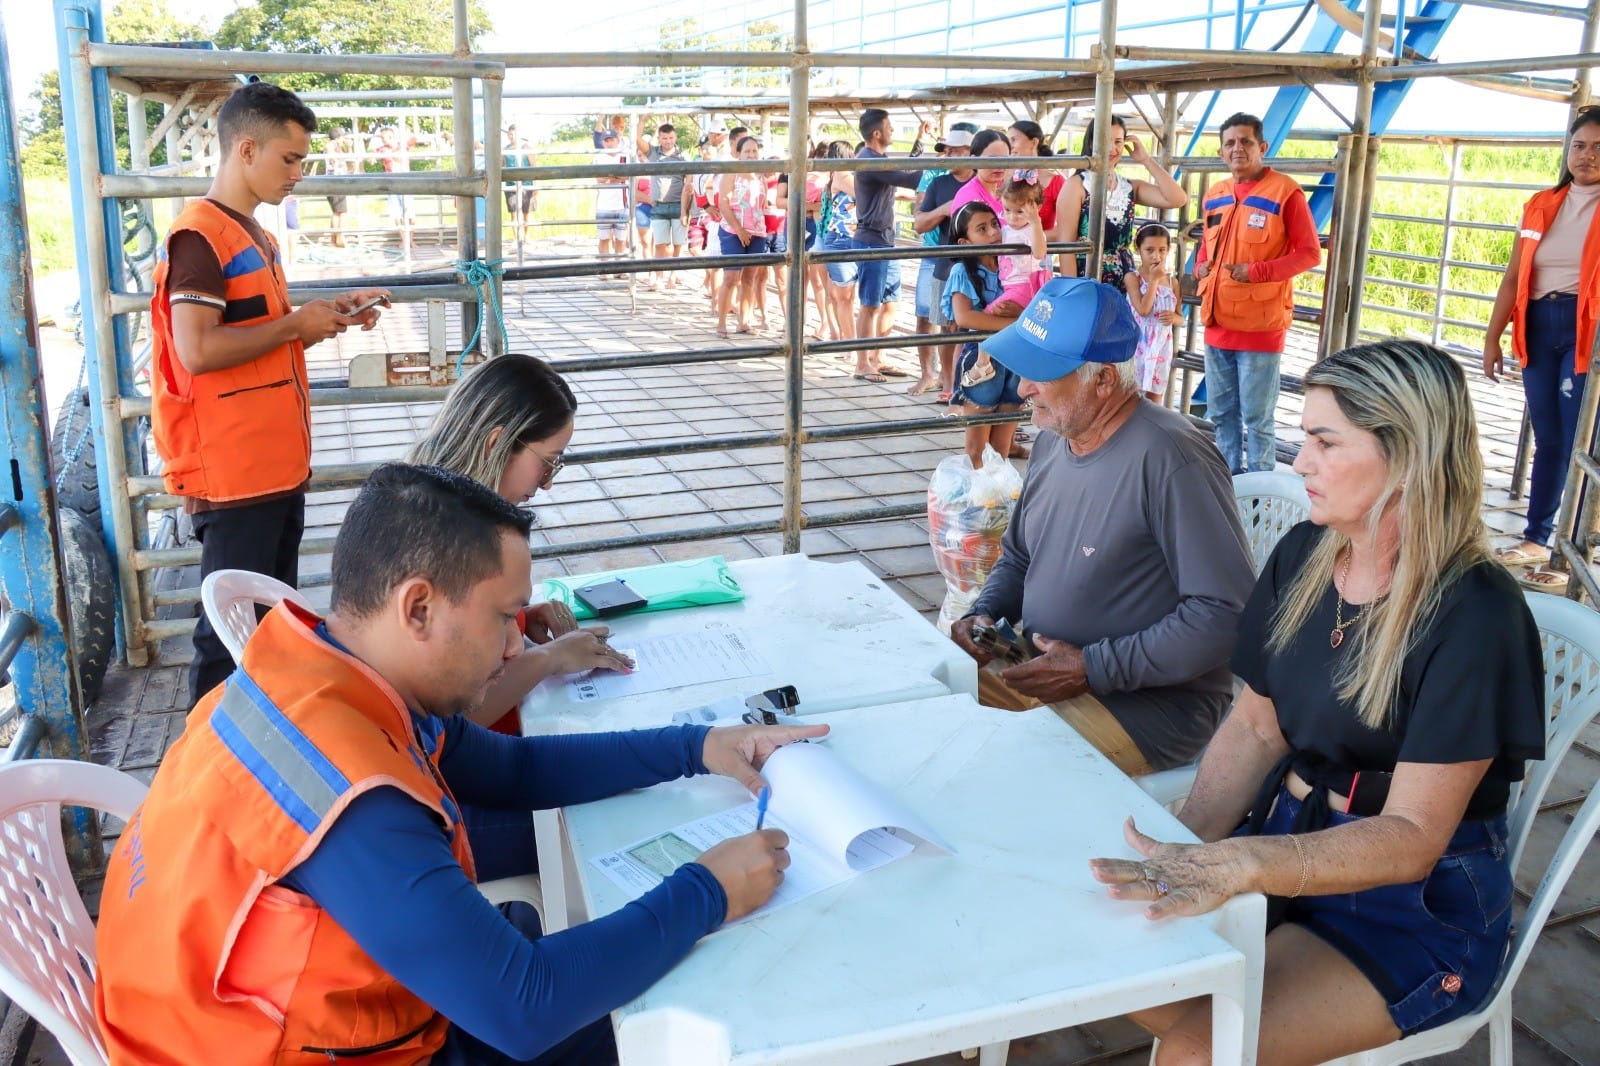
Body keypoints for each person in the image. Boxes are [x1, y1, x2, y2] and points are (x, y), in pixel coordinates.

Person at [94, 462, 825, 1065]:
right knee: (665, 1020)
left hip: (251, 1001)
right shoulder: (354, 800)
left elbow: (510, 772)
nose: (517, 648)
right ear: (418, 608)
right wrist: (709, 890)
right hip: (251, 1047)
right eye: (504, 617)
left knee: (597, 956)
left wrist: (695, 747)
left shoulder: (325, 670)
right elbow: (522, 1008)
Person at [1089, 339, 1546, 1065]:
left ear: (1409, 456)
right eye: (1305, 438)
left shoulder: (1474, 614)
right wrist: (1190, 849)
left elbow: (1412, 835)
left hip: (1410, 906)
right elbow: (1255, 728)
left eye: (1325, 442)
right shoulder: (1307, 553)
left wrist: (1248, 864)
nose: (1299, 461)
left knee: (1195, 1054)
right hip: (1285, 843)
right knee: (1100, 964)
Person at [950, 277, 1255, 775]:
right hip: (1052, 670)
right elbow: (1021, 556)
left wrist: (1094, 668)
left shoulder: (1172, 457)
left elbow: (1224, 614)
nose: (1024, 388)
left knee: (995, 768)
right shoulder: (1056, 435)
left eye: (1042, 374)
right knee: (934, 708)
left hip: (1148, 709)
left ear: (1104, 380)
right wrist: (982, 615)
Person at [149, 81, 388, 707]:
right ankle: (206, 771)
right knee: (226, 635)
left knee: (268, 624)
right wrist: (293, 324)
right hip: (233, 476)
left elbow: (258, 343)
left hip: (272, 467)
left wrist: (323, 317)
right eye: (290, 159)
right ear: (245, 149)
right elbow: (197, 350)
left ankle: (259, 749)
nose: (298, 174)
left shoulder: (254, 234)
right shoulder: (200, 238)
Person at [408, 355, 632, 882]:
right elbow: (455, 726)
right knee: (609, 822)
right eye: (548, 461)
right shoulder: (448, 541)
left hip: (475, 771)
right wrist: (550, 659)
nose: (549, 483)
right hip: (453, 804)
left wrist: (515, 619)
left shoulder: (428, 503)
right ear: (495, 443)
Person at [1483, 107, 1600, 592]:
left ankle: (1571, 548)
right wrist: (1492, 335)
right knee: (1549, 435)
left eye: (1598, 147)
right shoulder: (1541, 204)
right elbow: (1514, 276)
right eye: (1579, 145)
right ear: (1566, 150)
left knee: (1582, 440)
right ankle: (1537, 536)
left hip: (1586, 331)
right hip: (1538, 321)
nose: (1587, 155)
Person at [1196, 111, 1322, 474]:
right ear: (1222, 152)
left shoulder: (1285, 192)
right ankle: (1228, 486)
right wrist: (1200, 266)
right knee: (1221, 415)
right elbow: (1207, 244)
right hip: (1217, 322)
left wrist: (1258, 272)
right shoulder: (1216, 195)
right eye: (1230, 143)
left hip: (1260, 327)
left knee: (1258, 420)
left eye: (1246, 142)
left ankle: (1260, 496)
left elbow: (1309, 253)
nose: (1238, 149)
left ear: (1262, 147)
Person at [1054, 117, 1187, 287]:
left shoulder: (1129, 187)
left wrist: (1145, 159)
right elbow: (1067, 246)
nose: (1112, 148)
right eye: (1105, 140)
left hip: (1127, 284)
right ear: (1091, 142)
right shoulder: (1076, 185)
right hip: (1088, 281)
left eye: (1118, 141)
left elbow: (1177, 198)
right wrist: (1073, 292)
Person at [942, 201, 1027, 464]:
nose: (993, 233)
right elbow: (965, 316)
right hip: (983, 362)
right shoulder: (962, 271)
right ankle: (978, 500)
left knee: (1001, 448)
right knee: (977, 451)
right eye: (982, 229)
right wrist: (1017, 322)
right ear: (964, 243)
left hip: (1015, 358)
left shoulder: (1013, 264)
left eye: (994, 224)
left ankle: (996, 500)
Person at [849, 109, 930, 377]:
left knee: (890, 302)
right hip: (872, 241)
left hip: (884, 240)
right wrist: (938, 164)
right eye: (890, 126)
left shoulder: (878, 159)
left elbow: (903, 172)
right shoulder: (870, 160)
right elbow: (910, 178)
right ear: (877, 133)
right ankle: (862, 363)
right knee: (870, 305)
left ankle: (878, 357)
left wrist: (920, 144)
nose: (893, 130)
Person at [914, 125, 977, 400]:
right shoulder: (938, 184)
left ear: (971, 153)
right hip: (946, 264)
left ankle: (967, 384)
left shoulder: (982, 183)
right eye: (947, 150)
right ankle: (949, 384)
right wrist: (943, 209)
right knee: (946, 326)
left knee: (970, 326)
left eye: (955, 150)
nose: (949, 155)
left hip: (977, 266)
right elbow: (919, 224)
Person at [715, 134, 771, 338]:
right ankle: (721, 322)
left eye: (754, 151)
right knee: (731, 276)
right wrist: (738, 228)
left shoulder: (760, 176)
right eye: (747, 151)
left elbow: (762, 204)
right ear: (738, 153)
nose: (751, 154)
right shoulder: (731, 173)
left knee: (750, 277)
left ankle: (744, 321)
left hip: (757, 231)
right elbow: (723, 203)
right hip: (732, 230)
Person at [1125, 222, 1183, 403]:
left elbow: (1181, 317)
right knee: (1130, 396)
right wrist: (1154, 280)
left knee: (1155, 398)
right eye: (1149, 250)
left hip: (1160, 347)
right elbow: (1143, 309)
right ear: (1138, 249)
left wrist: (1174, 318)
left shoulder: (1172, 282)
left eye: (1161, 250)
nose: (1156, 256)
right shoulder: (1133, 278)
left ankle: (1150, 429)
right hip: (1137, 346)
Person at [817, 140, 863, 359]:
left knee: (846, 296)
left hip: (853, 238)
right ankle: (851, 343)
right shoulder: (842, 175)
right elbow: (863, 191)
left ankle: (849, 340)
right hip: (841, 239)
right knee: (844, 296)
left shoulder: (843, 175)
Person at [638, 121, 691, 289]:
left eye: (671, 137)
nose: (668, 141)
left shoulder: (684, 156)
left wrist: (685, 210)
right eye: (664, 138)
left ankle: (673, 276)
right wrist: (643, 119)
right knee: (660, 243)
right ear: (659, 138)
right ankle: (658, 277)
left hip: (678, 204)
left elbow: (688, 184)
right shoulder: (653, 153)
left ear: (675, 137)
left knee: (678, 243)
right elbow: (637, 138)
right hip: (659, 205)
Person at [996, 170, 1051, 310]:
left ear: (1037, 208)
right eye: (1007, 210)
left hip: (1025, 286)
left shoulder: (1033, 231)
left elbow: (1039, 253)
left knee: (987, 315)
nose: (1012, 217)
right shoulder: (1005, 230)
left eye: (1020, 212)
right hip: (1006, 285)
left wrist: (1036, 223)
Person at [1007, 120, 1064, 234]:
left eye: (1014, 139)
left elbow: (1064, 230)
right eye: (1008, 141)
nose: (1010, 145)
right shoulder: (1003, 175)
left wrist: (1027, 239)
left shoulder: (1055, 182)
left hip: (1040, 250)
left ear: (1034, 142)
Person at [592, 128, 629, 276]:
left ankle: (619, 269)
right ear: (602, 142)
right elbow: (599, 179)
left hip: (621, 205)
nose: (609, 143)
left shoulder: (625, 156)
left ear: (617, 140)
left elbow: (627, 176)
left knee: (621, 238)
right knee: (604, 238)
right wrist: (616, 177)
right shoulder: (599, 157)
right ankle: (604, 268)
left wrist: (610, 177)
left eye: (611, 140)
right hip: (604, 206)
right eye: (606, 140)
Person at [376, 124, 415, 255]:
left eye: (384, 137)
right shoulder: (382, 149)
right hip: (392, 183)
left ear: (391, 136)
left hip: (406, 182)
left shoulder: (402, 146)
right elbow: (370, 159)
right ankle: (404, 240)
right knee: (397, 214)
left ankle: (411, 240)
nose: (382, 140)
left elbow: (414, 139)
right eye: (381, 137)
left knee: (410, 214)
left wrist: (413, 116)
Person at [502, 124, 537, 247]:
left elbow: (534, 166)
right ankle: (516, 238)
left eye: (513, 134)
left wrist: (536, 184)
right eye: (509, 134)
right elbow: (501, 165)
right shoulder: (505, 149)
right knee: (513, 212)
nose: (511, 137)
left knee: (526, 212)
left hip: (526, 184)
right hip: (511, 185)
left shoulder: (527, 147)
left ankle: (526, 237)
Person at [322, 125, 355, 247]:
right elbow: (334, 158)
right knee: (341, 212)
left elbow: (349, 160)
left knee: (337, 211)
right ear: (338, 137)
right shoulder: (331, 146)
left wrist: (349, 147)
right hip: (335, 181)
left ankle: (335, 238)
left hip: (336, 181)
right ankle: (339, 238)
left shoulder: (336, 147)